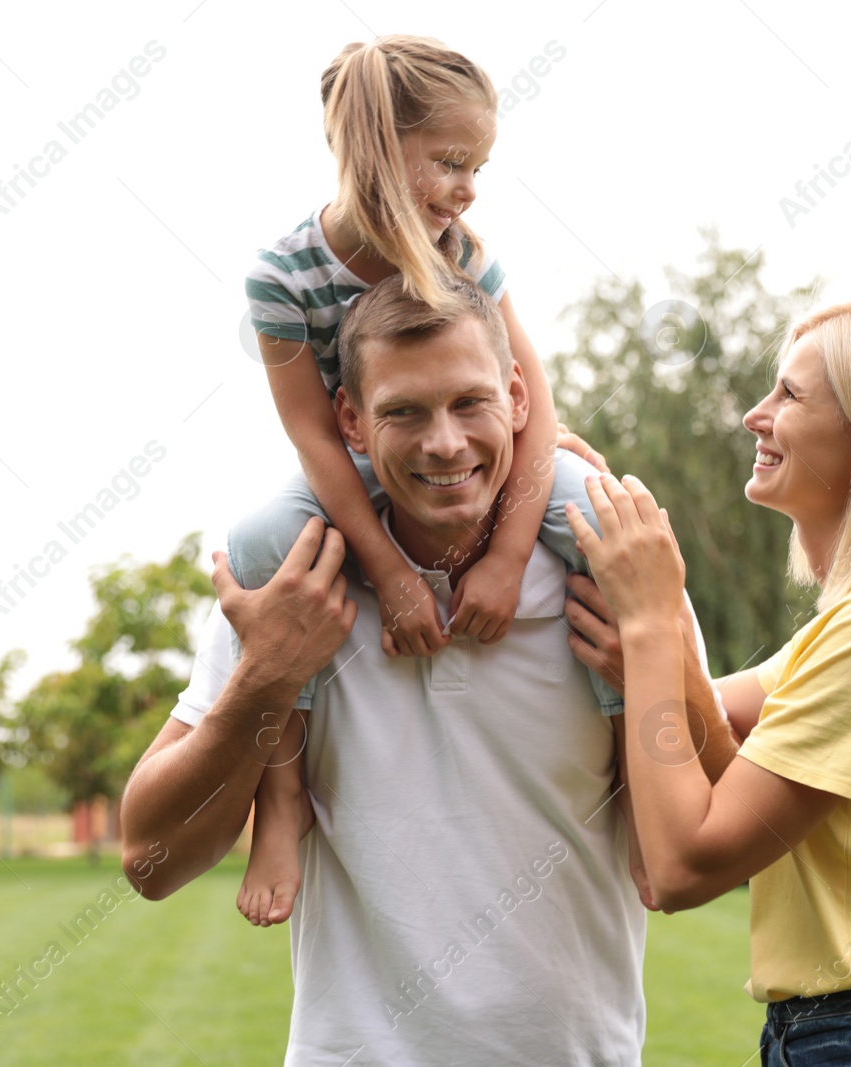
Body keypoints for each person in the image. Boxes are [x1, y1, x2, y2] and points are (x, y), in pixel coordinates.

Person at [120, 275, 718, 1065]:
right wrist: (267, 674)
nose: (444, 443)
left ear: (517, 397)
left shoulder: (620, 581)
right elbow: (150, 862)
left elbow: (719, 839)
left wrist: (666, 666)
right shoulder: (294, 592)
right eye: (404, 410)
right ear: (352, 423)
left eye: (471, 402)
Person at [564, 300, 851, 1065]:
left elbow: (686, 860)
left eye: (788, 394)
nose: (755, 415)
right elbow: (717, 747)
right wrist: (597, 514)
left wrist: (652, 626)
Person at [229, 34, 618, 928]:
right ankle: (280, 798)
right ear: (375, 149)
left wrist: (509, 557)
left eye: (477, 165)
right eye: (450, 161)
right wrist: (393, 575)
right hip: (364, 463)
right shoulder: (282, 276)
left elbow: (534, 400)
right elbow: (314, 440)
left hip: (489, 452)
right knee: (257, 544)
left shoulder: (465, 252)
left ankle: (634, 750)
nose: (469, 186)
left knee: (598, 510)